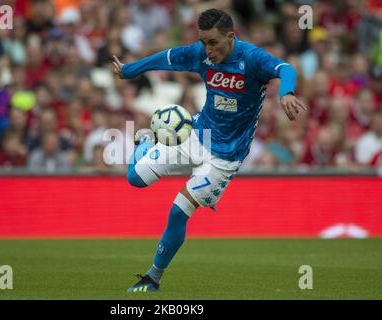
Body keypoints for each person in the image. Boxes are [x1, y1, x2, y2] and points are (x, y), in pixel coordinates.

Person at [112, 9, 306, 293]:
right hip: (197, 135)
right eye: (203, 42)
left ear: (230, 36)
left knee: (179, 211)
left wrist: (286, 91)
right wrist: (130, 70)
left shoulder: (251, 59)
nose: (207, 49)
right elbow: (165, 58)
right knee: (134, 178)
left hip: (223, 158)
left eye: (213, 42)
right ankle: (145, 141)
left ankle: (153, 277)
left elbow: (285, 69)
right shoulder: (200, 54)